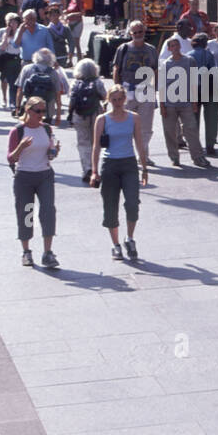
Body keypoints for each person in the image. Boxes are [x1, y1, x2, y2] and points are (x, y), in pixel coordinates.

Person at [90, 84, 150, 260]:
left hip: (129, 164)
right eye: (113, 100)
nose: (117, 103)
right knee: (110, 206)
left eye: (120, 99)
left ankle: (130, 238)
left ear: (125, 99)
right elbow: (96, 147)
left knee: (132, 203)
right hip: (110, 166)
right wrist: (94, 171)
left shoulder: (134, 118)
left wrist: (144, 168)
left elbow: (139, 143)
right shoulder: (102, 119)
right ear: (109, 100)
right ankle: (115, 245)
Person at [7, 97, 61, 268]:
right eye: (38, 111)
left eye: (44, 111)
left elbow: (49, 154)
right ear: (28, 111)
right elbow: (11, 158)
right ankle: (26, 251)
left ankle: (48, 252)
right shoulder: (18, 131)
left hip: (44, 174)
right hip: (24, 177)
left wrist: (54, 152)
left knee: (48, 211)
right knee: (26, 213)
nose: (41, 115)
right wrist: (21, 147)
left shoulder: (46, 128)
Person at [158, 35, 209, 168]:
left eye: (176, 45)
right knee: (170, 132)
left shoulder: (189, 61)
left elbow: (193, 82)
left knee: (191, 129)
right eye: (172, 46)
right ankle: (174, 157)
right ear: (169, 49)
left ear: (180, 46)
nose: (175, 48)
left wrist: (194, 102)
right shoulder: (165, 65)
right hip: (170, 104)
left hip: (186, 102)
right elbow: (162, 86)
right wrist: (162, 105)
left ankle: (198, 157)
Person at [112, 21, 159, 166]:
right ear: (130, 34)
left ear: (144, 32)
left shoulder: (151, 50)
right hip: (128, 91)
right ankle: (126, 155)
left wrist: (154, 89)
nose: (138, 35)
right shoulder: (123, 48)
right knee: (124, 125)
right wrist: (117, 89)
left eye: (141, 32)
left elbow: (156, 70)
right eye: (135, 33)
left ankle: (143, 156)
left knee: (146, 127)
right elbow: (116, 69)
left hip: (146, 91)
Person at [67, 58, 107, 183]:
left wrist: (70, 115)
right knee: (95, 142)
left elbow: (71, 100)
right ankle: (95, 168)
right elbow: (104, 96)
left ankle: (87, 168)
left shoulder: (75, 83)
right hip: (96, 114)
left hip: (79, 115)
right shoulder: (98, 82)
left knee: (83, 143)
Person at [16, 48, 68, 126]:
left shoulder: (27, 69)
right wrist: (58, 115)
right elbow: (58, 95)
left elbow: (20, 90)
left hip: (30, 108)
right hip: (47, 110)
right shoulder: (53, 73)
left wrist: (18, 107)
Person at [0, 13, 25, 113]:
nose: (13, 23)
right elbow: (2, 47)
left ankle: (15, 102)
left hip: (19, 59)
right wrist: (6, 34)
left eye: (15, 21)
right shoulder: (4, 32)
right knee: (7, 81)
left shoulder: (21, 32)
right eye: (11, 22)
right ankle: (9, 101)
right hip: (8, 59)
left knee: (16, 82)